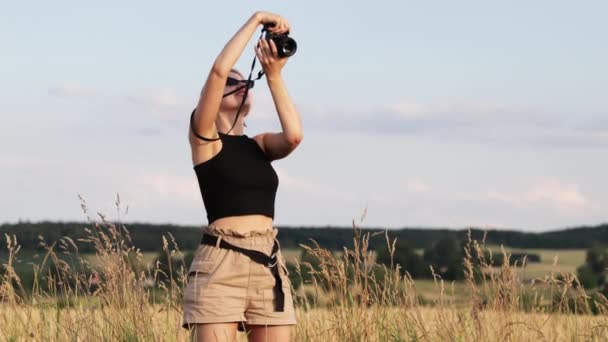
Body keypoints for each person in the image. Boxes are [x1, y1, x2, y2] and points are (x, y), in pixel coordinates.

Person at [182, 11, 303, 342]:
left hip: (267, 262)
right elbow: (219, 70)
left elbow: (293, 136)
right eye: (231, 84)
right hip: (220, 263)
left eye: (244, 81)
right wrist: (257, 19)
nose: (240, 85)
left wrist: (274, 74)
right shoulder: (205, 138)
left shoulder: (259, 145)